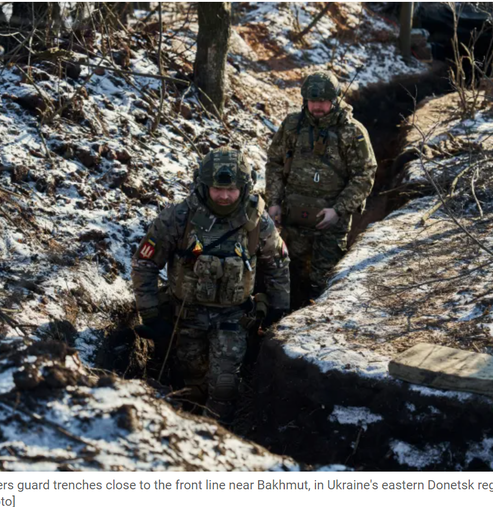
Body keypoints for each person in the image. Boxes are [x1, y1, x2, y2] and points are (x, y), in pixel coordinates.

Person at [131, 148, 290, 422]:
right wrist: (151, 313)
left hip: (233, 317)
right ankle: (183, 428)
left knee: (224, 384)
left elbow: (277, 265)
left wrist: (278, 310)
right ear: (204, 185)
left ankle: (220, 434)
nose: (225, 196)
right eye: (218, 189)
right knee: (188, 380)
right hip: (185, 316)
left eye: (232, 190)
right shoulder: (179, 218)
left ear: (245, 187)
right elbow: (144, 264)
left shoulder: (257, 222)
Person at [265, 70, 378, 304]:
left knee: (323, 283)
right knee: (288, 277)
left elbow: (365, 174)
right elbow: (275, 163)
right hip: (293, 218)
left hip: (330, 224)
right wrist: (274, 202)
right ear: (305, 100)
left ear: (334, 99)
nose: (317, 106)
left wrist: (338, 209)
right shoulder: (292, 126)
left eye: (323, 101)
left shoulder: (352, 132)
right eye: (312, 101)